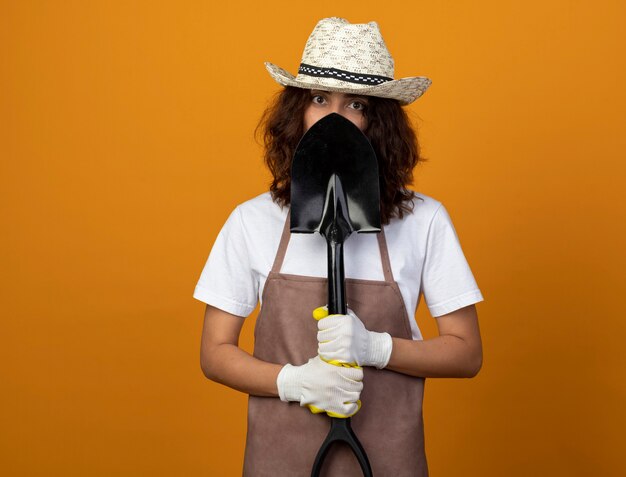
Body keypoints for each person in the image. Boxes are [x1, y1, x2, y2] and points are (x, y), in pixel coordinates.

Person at [194, 17, 484, 477]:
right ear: (297, 112)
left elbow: (467, 353)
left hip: (388, 462)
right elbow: (214, 353)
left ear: (379, 121)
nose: (334, 118)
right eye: (318, 98)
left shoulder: (424, 220)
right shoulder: (253, 220)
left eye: (356, 104)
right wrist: (292, 381)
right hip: (279, 461)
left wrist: (379, 348)